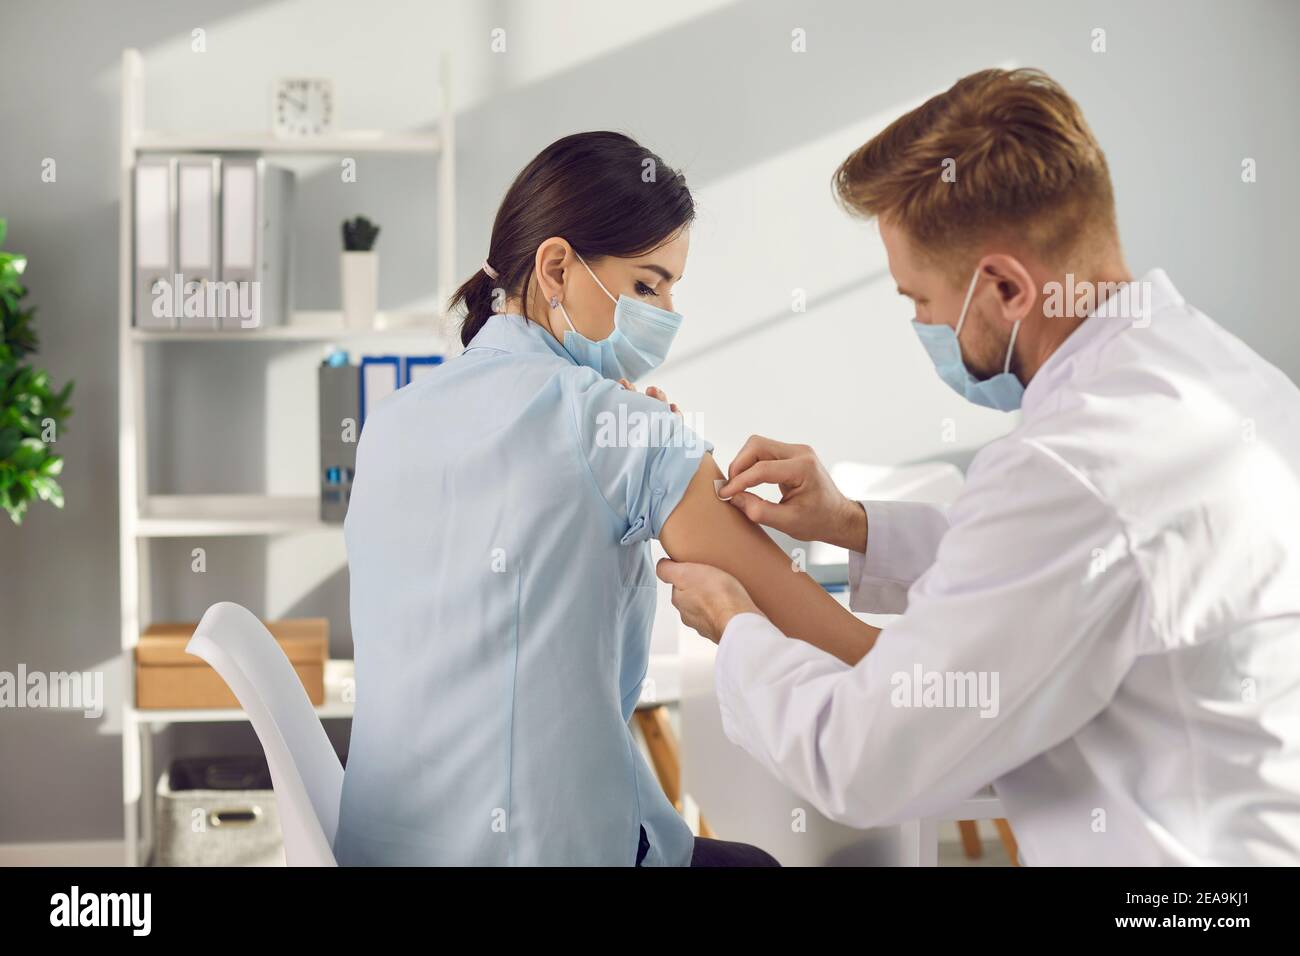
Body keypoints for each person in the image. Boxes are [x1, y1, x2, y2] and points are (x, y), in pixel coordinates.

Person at [657, 68, 1300, 865]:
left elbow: (863, 760)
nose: (922, 323)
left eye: (919, 301)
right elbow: (1076, 571)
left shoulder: (1071, 467)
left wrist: (736, 623)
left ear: (1003, 287)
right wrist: (854, 522)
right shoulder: (1218, 381)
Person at [335, 132, 867, 866]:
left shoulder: (389, 422)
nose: (667, 313)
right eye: (648, 286)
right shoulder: (617, 428)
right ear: (557, 266)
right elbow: (824, 637)